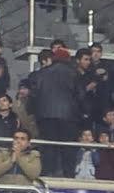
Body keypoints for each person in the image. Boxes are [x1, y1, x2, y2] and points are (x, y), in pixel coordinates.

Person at [31, 45, 81, 177]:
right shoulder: (74, 73)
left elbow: (34, 96)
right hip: (68, 117)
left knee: (48, 148)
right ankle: (68, 178)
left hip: (45, 117)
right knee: (68, 150)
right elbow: (80, 96)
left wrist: (36, 114)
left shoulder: (41, 73)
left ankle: (47, 177)